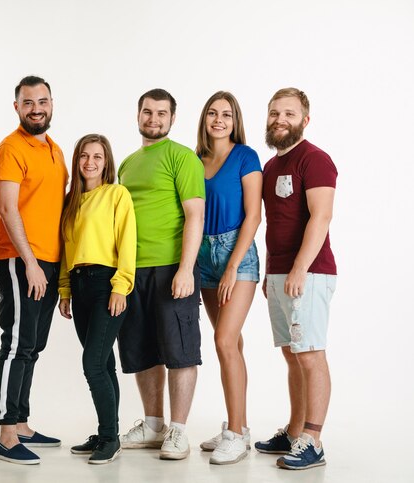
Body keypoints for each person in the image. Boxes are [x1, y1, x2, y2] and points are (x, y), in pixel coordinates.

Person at [118, 89, 205, 460]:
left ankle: (178, 431)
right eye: (147, 112)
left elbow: (194, 215)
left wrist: (186, 268)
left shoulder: (182, 158)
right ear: (137, 115)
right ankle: (154, 425)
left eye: (161, 113)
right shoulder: (125, 164)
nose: (153, 119)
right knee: (142, 350)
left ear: (172, 119)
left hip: (172, 268)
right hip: (132, 270)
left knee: (180, 351)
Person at [255, 88, 337, 471]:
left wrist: (300, 269)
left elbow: (320, 218)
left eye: (288, 113)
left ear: (305, 119)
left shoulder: (316, 160)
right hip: (280, 274)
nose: (279, 119)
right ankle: (294, 431)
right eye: (274, 113)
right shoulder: (271, 167)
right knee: (292, 354)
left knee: (310, 353)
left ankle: (314, 440)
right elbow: (275, 226)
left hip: (310, 273)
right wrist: (272, 273)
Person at [0, 75, 68, 465]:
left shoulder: (54, 148)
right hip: (20, 259)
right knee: (17, 341)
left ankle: (21, 422)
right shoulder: (10, 148)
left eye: (43, 101)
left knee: (33, 344)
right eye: (28, 102)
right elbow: (8, 209)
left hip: (50, 261)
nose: (36, 108)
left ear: (51, 103)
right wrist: (31, 263)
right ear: (17, 107)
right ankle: (6, 435)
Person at [58, 134, 137, 465]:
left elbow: (127, 242)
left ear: (107, 162)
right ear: (76, 161)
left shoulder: (116, 194)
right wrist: (64, 289)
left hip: (107, 284)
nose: (90, 162)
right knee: (103, 364)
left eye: (98, 157)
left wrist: (121, 286)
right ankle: (110, 434)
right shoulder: (71, 201)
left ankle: (109, 438)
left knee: (92, 363)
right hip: (79, 286)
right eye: (84, 156)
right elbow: (66, 249)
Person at [194, 92, 262, 465]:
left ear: (235, 120)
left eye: (226, 115)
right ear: (204, 119)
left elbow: (254, 215)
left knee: (223, 340)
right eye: (212, 114)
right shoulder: (196, 159)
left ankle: (235, 434)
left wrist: (234, 266)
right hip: (203, 258)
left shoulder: (246, 157)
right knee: (230, 343)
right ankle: (240, 427)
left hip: (237, 253)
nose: (219, 120)